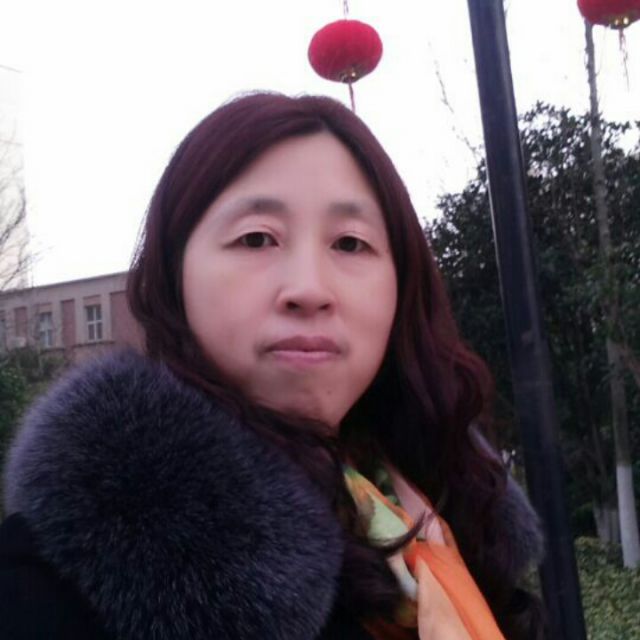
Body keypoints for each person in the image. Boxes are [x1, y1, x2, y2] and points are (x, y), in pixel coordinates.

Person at [0, 92, 545, 639]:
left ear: (401, 285)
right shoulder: (45, 584)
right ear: (174, 274)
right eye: (257, 238)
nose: (308, 289)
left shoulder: (454, 518)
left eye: (350, 243)